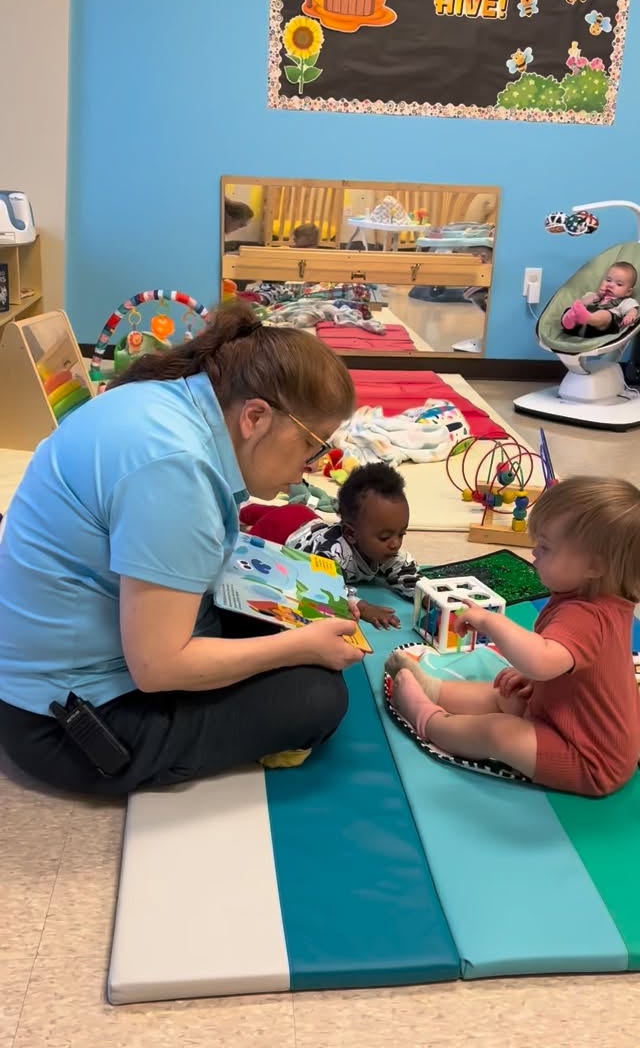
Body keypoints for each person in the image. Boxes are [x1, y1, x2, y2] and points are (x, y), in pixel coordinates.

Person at [0, 302, 364, 796]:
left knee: (290, 620)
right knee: (316, 696)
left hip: (61, 668)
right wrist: (297, 645)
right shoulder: (175, 469)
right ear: (255, 417)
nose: (312, 466)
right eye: (312, 446)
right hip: (65, 724)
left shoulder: (170, 404)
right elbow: (159, 667)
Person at [386, 477, 640, 797]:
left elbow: (541, 660)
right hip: (570, 720)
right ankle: (434, 689)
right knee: (505, 694)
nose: (534, 552)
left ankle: (430, 722)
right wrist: (535, 678)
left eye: (545, 547)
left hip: (589, 762)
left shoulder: (586, 617)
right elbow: (580, 665)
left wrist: (489, 622)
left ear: (594, 566)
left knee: (500, 731)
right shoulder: (606, 599)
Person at [242, 463, 419, 630]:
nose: (396, 544)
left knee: (281, 511)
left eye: (401, 533)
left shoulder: (389, 552)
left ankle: (256, 511)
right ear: (351, 534)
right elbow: (322, 585)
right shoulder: (331, 555)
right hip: (283, 530)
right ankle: (244, 509)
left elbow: (406, 572)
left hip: (308, 519)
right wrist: (362, 607)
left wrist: (426, 597)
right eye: (385, 537)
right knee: (251, 539)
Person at [561, 262, 639, 335]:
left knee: (606, 315)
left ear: (628, 292)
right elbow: (581, 303)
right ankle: (568, 322)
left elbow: (633, 310)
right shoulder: (593, 295)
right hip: (580, 327)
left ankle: (589, 318)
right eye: (608, 280)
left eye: (619, 284)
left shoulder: (626, 301)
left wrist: (630, 316)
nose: (610, 285)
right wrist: (596, 296)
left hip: (603, 329)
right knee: (571, 310)